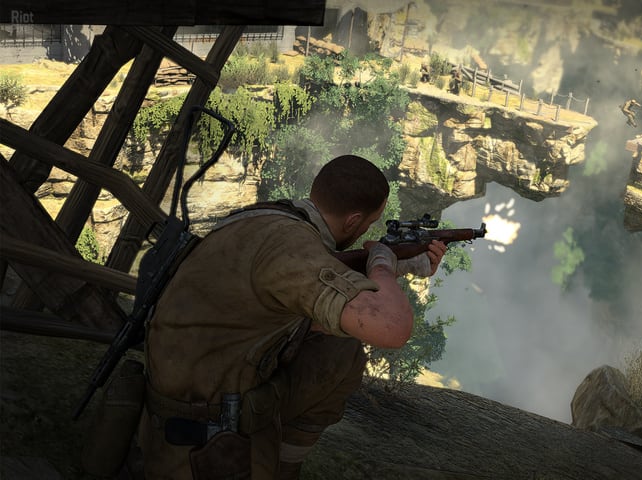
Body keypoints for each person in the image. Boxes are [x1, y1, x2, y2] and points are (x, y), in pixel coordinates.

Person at [137, 155, 447, 479]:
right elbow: (392, 327)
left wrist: (403, 266)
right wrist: (382, 263)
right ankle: (283, 467)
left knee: (333, 342)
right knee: (341, 356)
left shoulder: (265, 219)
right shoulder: (293, 246)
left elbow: (294, 305)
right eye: (369, 224)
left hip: (180, 387)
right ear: (353, 221)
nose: (366, 231)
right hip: (203, 421)